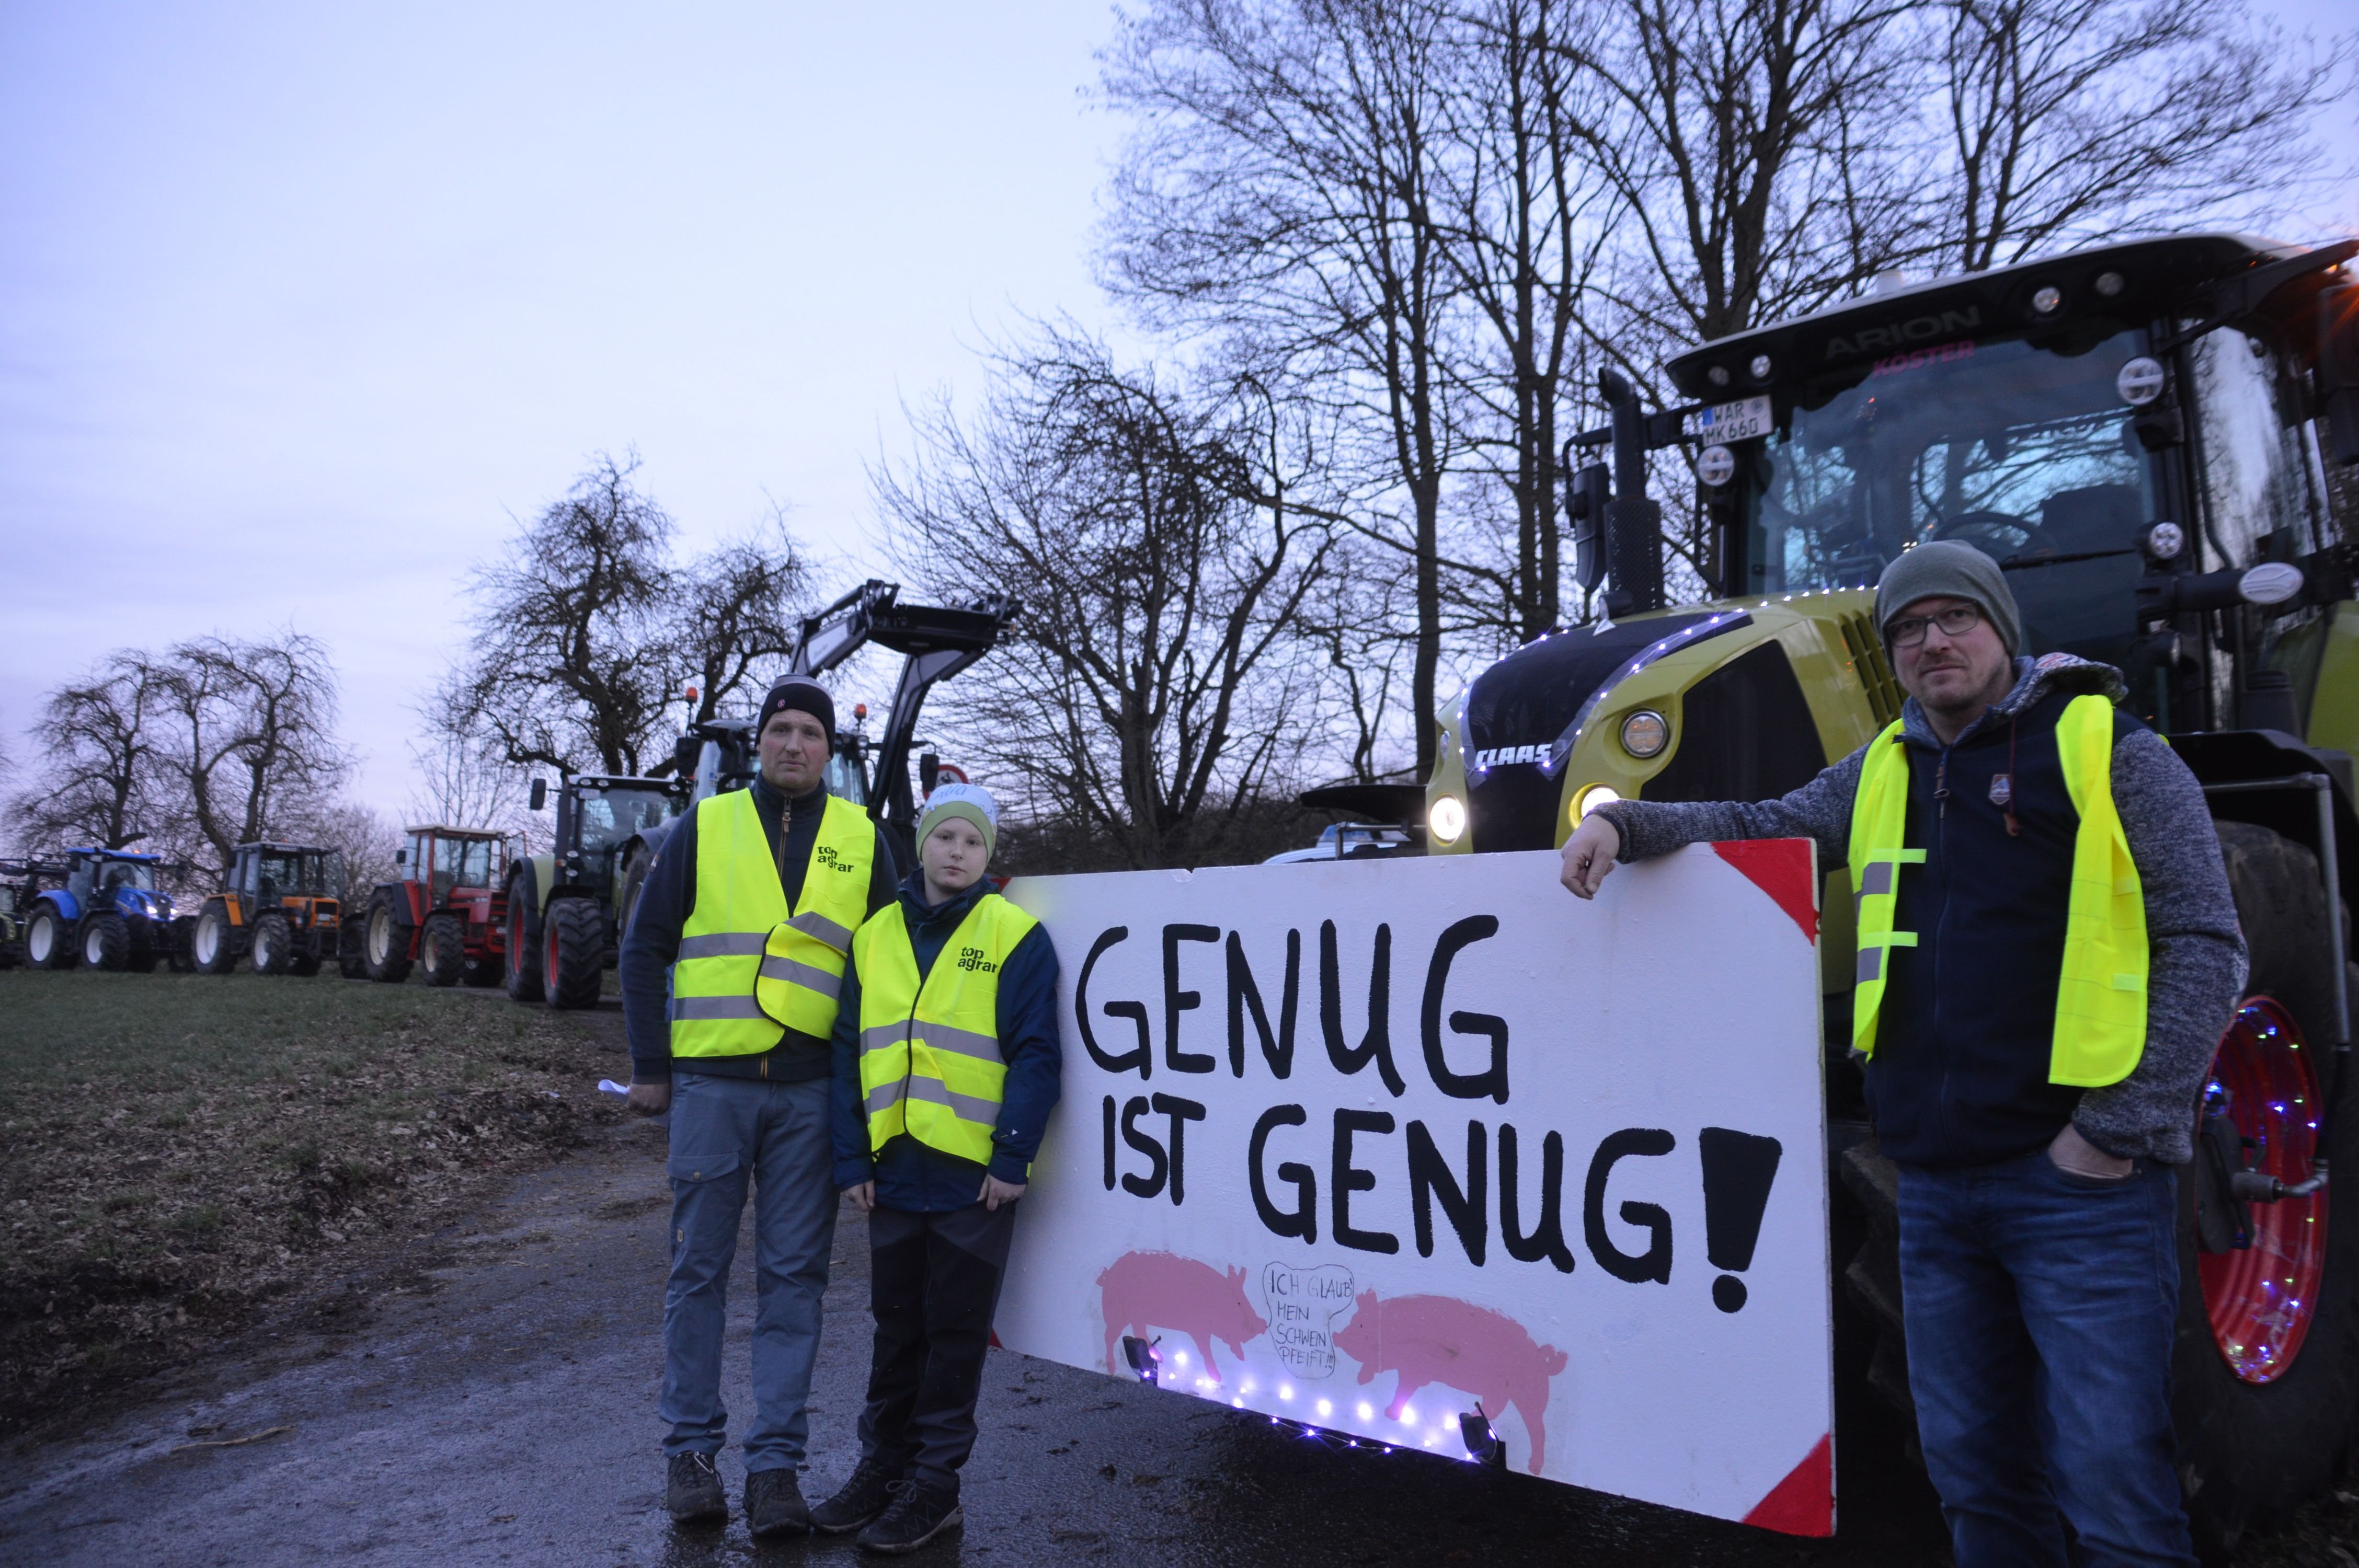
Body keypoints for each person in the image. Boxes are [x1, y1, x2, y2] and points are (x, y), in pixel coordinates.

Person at [1559, 541, 2244, 1568]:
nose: (1933, 644)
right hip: (1932, 1189)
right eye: (1909, 630)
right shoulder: (1886, 765)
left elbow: (2206, 943)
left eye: (1953, 619)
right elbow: (1764, 823)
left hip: (2081, 1191)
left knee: (2112, 1489)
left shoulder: (2111, 748)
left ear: (2002, 629)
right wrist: (1626, 822)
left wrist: (2116, 1127)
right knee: (1972, 1474)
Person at [619, 675, 901, 1536]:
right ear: (759, 744)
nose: (794, 745)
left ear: (827, 749)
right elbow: (642, 949)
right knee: (696, 1275)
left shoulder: (864, 837)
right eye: (780, 729)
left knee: (794, 1283)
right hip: (712, 1088)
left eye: (809, 733)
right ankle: (691, 1458)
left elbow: (893, 972)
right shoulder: (704, 827)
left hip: (814, 1095)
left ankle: (774, 1470)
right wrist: (651, 1067)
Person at [814, 782, 1062, 1554]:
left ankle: (935, 1487)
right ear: (920, 844)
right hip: (891, 1173)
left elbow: (1036, 1055)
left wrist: (1012, 1154)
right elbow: (846, 1054)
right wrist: (851, 1156)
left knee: (953, 1337)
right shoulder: (873, 936)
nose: (958, 853)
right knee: (896, 1331)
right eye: (946, 837)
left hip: (970, 1180)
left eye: (974, 843)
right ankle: (881, 1467)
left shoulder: (1015, 935)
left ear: (990, 857)